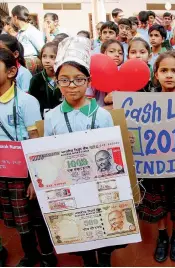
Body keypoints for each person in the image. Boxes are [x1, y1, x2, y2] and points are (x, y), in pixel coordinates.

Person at [44, 36, 122, 266]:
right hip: (69, 184)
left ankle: (105, 258)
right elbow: (48, 154)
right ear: (57, 82)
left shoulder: (102, 115)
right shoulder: (52, 117)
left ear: (88, 81)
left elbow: (110, 152)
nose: (71, 86)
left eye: (78, 80)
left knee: (104, 222)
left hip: (100, 183)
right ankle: (89, 260)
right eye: (64, 80)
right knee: (81, 226)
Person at [137, 51, 175, 263]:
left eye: (174, 70)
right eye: (164, 70)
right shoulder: (145, 103)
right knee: (159, 201)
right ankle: (162, 235)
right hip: (155, 165)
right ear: (156, 74)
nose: (169, 75)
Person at [0, 47, 58, 267]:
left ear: (12, 72)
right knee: (17, 220)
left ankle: (46, 255)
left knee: (35, 218)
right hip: (3, 169)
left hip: (24, 171)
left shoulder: (26, 102)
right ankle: (30, 254)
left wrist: (35, 178)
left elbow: (35, 139)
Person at [29, 42, 62, 118]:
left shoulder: (65, 78)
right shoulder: (36, 79)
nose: (47, 61)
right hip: (43, 119)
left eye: (52, 57)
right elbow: (32, 103)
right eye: (44, 56)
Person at [88, 39, 124, 108]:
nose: (117, 55)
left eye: (120, 53)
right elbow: (87, 102)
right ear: (102, 53)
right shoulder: (94, 71)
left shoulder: (124, 73)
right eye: (111, 51)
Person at [11, 5, 45, 74]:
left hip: (31, 63)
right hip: (24, 62)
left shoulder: (31, 30)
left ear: (15, 17)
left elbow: (41, 49)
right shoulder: (21, 32)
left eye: (11, 17)